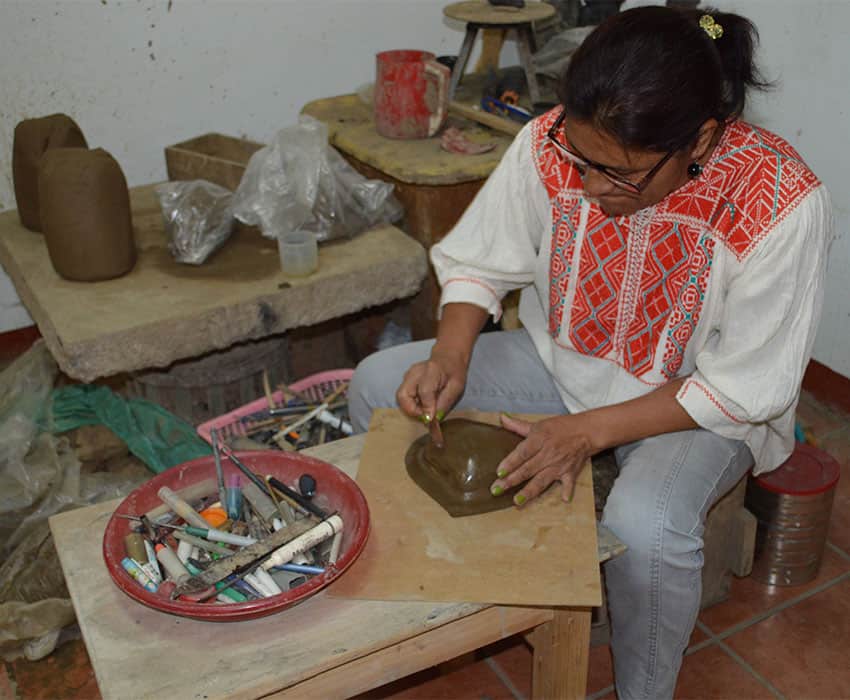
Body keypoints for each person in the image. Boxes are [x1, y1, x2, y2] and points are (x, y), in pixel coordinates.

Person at [348, 6, 832, 698]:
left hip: (694, 408)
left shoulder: (781, 201)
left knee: (649, 526)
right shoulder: (550, 143)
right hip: (560, 367)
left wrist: (585, 434)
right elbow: (484, 259)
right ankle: (453, 590)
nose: (590, 187)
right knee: (376, 384)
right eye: (581, 160)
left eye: (621, 175)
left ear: (698, 139)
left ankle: (645, 689)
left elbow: (743, 387)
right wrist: (452, 354)